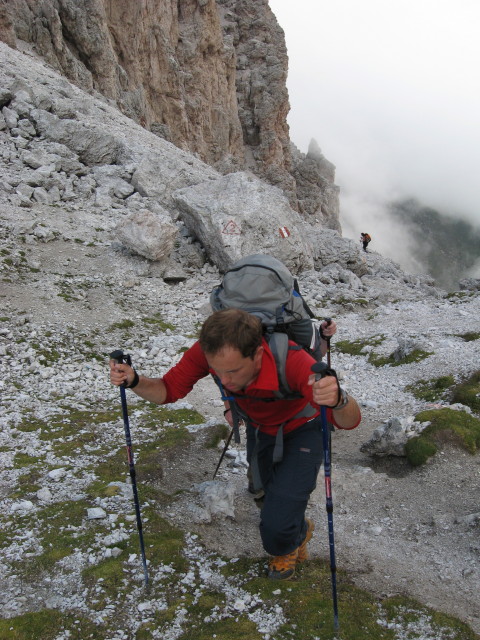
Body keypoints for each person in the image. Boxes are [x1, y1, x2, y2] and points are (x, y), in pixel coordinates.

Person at [110, 309, 361, 580]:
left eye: (232, 371)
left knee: (277, 525)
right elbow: (167, 390)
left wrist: (338, 399)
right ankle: (297, 528)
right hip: (261, 428)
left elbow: (350, 421)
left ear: (258, 354)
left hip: (304, 428)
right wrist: (134, 381)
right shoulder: (207, 350)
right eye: (217, 372)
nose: (225, 381)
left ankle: (286, 543)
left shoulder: (293, 361)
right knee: (264, 494)